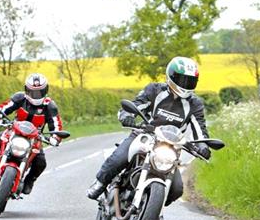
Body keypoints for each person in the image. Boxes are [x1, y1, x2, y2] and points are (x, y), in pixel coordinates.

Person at [86, 56, 211, 209]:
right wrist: (127, 115)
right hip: (144, 136)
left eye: (189, 81)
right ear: (171, 76)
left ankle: (151, 208)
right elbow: (137, 104)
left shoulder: (194, 104)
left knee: (177, 189)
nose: (185, 84)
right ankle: (99, 183)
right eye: (181, 79)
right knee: (118, 158)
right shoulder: (154, 90)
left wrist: (203, 146)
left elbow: (200, 128)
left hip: (171, 146)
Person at [0, 73, 63, 194]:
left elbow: (56, 125)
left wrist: (55, 137)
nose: (35, 95)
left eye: (39, 92)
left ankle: (29, 181)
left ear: (45, 91)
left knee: (41, 162)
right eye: (32, 92)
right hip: (13, 131)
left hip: (35, 138)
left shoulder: (50, 106)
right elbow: (5, 107)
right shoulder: (20, 98)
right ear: (26, 90)